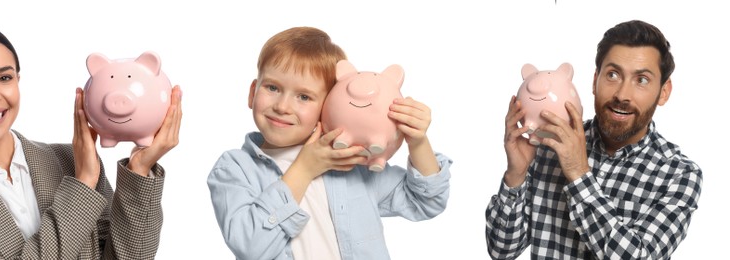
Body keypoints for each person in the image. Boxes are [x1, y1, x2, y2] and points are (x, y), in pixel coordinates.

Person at [0, 24, 177, 259]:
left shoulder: (72, 160)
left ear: (17, 82)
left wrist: (139, 169)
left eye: (4, 77)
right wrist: (81, 184)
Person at [206, 27, 452, 259]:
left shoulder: (351, 164)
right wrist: (304, 169)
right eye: (272, 87)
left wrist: (417, 141)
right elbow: (250, 247)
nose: (282, 106)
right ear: (252, 92)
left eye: (304, 96)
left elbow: (426, 202)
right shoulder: (234, 169)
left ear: (328, 107)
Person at [486, 20, 702, 260]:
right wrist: (515, 174)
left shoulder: (680, 174)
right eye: (612, 75)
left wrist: (578, 174)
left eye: (641, 80)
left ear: (664, 91)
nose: (622, 94)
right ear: (594, 80)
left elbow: (640, 256)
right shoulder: (548, 146)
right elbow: (501, 250)